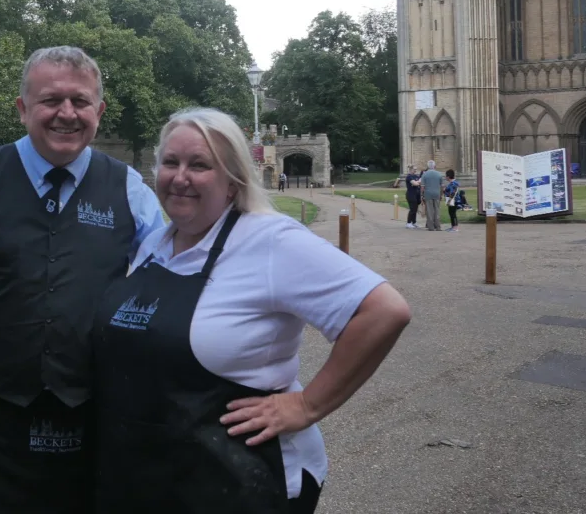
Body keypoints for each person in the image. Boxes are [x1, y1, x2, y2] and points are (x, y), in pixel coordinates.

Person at [91, 108, 412, 513]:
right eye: (170, 162)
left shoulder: (270, 241)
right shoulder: (155, 243)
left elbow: (384, 310)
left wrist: (307, 405)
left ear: (232, 182)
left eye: (200, 165)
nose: (180, 176)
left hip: (243, 480)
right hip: (158, 478)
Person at [0, 46, 165, 514]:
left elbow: (176, 283)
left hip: (91, 415)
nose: (66, 113)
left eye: (81, 101)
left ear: (99, 111)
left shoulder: (129, 188)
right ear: (23, 108)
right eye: (51, 100)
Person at [420, 160, 444, 231]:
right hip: (437, 194)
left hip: (428, 194)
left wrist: (422, 195)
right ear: (434, 166)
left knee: (430, 211)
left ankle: (431, 226)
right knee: (437, 210)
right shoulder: (439, 174)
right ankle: (438, 226)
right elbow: (442, 186)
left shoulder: (424, 174)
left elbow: (422, 187)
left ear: (428, 166)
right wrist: (441, 194)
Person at [405, 165, 421, 229]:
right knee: (412, 209)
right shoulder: (409, 177)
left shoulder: (416, 176)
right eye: (414, 169)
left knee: (415, 209)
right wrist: (417, 182)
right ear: (411, 169)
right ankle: (408, 223)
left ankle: (414, 222)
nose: (415, 170)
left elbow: (419, 182)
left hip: (416, 194)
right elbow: (415, 184)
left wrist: (417, 182)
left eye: (416, 169)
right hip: (410, 195)